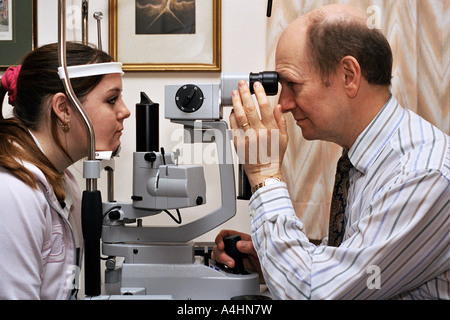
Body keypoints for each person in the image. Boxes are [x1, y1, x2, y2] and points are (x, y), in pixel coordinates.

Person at [213, 4, 449, 300]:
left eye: (292, 84)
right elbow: (343, 268)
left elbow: (313, 295)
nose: (283, 103)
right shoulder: (365, 159)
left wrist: (265, 175)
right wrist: (272, 263)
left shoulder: (421, 174)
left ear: (349, 75)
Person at [0, 42, 131, 299]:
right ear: (63, 109)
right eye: (111, 99)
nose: (124, 111)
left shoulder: (63, 180)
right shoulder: (13, 191)